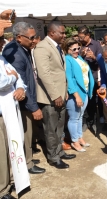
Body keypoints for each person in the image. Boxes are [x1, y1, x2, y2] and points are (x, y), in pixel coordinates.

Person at [2, 22, 46, 174]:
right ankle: (27, 163)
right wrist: (33, 107)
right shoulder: (14, 53)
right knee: (25, 135)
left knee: (28, 134)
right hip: (22, 103)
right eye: (32, 37)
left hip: (26, 99)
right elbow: (20, 81)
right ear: (19, 37)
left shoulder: (22, 48)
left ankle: (28, 158)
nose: (34, 40)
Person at [34, 21, 76, 169]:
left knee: (59, 126)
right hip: (50, 98)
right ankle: (53, 157)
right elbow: (44, 74)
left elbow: (59, 72)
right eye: (62, 33)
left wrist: (63, 93)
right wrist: (55, 95)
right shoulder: (42, 47)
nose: (65, 35)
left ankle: (59, 151)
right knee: (51, 129)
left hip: (60, 95)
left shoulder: (57, 47)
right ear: (52, 33)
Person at [0, 9, 27, 199]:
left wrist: (20, 87)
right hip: (1, 113)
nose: (3, 42)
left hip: (9, 109)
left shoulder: (1, 58)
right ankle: (2, 189)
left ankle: (12, 180)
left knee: (12, 147)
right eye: (1, 39)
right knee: (2, 152)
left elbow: (18, 79)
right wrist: (12, 79)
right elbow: (2, 82)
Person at [63, 38, 94, 152]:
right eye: (74, 49)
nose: (77, 51)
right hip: (75, 94)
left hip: (84, 91)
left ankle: (80, 137)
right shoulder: (68, 59)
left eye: (78, 48)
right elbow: (69, 79)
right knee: (74, 118)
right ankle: (74, 141)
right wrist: (76, 96)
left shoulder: (79, 57)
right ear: (67, 49)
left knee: (80, 116)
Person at [77, 25, 105, 133]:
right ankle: (84, 122)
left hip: (92, 78)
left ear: (88, 35)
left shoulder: (97, 45)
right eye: (79, 37)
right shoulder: (78, 46)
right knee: (83, 101)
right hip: (81, 79)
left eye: (82, 37)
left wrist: (94, 57)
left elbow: (102, 62)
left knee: (93, 101)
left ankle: (92, 122)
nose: (80, 39)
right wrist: (81, 55)